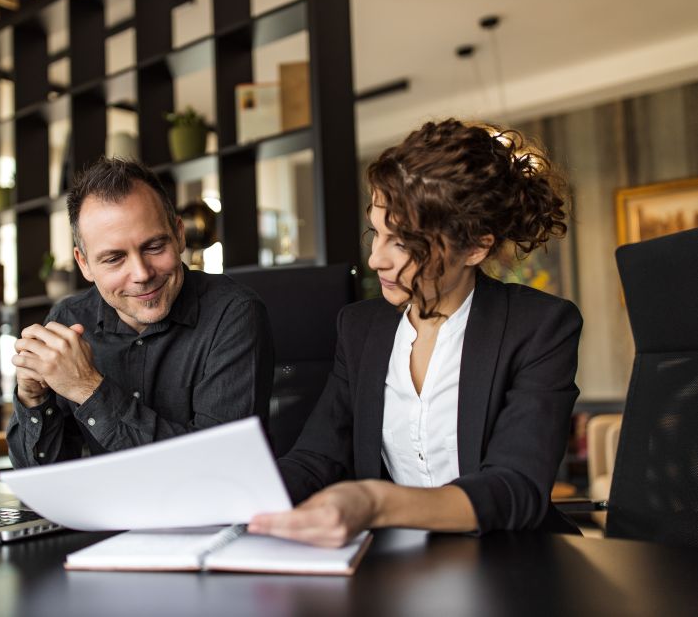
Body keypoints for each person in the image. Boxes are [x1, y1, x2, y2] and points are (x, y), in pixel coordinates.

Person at [248, 119, 582, 547]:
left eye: (403, 242)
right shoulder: (360, 328)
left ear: (476, 247)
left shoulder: (539, 326)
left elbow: (514, 488)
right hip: (400, 565)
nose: (375, 260)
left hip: (512, 562)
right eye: (377, 233)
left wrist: (376, 502)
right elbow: (317, 458)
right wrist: (236, 499)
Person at [6, 157, 274, 467]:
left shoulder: (234, 314)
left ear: (179, 235)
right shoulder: (69, 320)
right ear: (84, 264)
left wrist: (88, 389)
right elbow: (45, 480)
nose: (141, 273)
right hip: (102, 513)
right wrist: (33, 399)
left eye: (154, 246)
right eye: (114, 259)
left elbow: (216, 469)